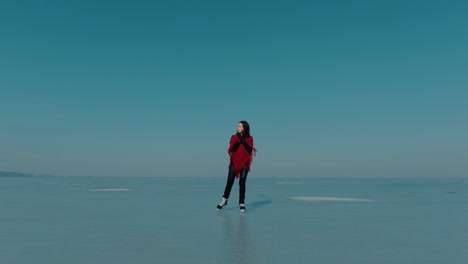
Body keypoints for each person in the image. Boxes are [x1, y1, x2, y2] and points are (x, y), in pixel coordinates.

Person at [217, 120, 256, 212]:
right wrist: (238, 142)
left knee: (242, 182)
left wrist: (244, 142)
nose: (237, 128)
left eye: (239, 126)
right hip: (234, 162)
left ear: (244, 128)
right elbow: (232, 149)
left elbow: (250, 150)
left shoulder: (250, 138)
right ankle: (224, 200)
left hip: (245, 162)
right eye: (237, 126)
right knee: (230, 181)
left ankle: (241, 202)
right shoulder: (234, 137)